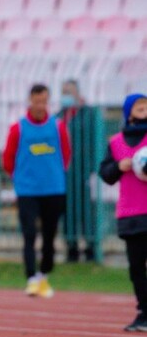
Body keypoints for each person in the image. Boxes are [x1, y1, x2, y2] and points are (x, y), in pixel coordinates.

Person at [3, 84, 71, 299]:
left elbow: (66, 155)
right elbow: (8, 158)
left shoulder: (58, 126)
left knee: (50, 236)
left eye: (44, 101)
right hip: (28, 190)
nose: (40, 105)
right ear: (30, 101)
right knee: (29, 234)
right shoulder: (18, 128)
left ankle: (44, 274)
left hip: (53, 189)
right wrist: (20, 178)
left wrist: (54, 174)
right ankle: (31, 277)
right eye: (37, 101)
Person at [98, 93, 147, 332]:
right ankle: (144, 312)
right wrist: (119, 166)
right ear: (128, 113)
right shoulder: (116, 142)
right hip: (130, 214)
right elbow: (106, 174)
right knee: (136, 267)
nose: (144, 110)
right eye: (139, 107)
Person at [58, 79, 96, 262]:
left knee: (86, 211)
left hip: (82, 170)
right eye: (64, 92)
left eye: (69, 91)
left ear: (77, 93)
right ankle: (71, 247)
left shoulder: (88, 114)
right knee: (67, 211)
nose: (66, 95)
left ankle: (90, 246)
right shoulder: (59, 116)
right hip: (64, 173)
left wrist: (90, 168)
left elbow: (94, 143)